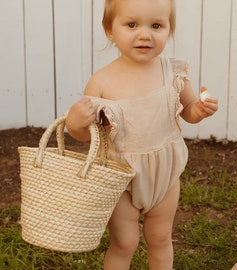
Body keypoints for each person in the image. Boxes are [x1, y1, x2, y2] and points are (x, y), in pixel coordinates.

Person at [65, 0, 218, 269]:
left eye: (156, 25)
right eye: (132, 25)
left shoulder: (172, 72)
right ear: (110, 30)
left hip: (165, 173)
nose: (145, 34)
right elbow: (85, 135)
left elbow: (188, 111)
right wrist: (75, 122)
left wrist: (200, 109)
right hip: (121, 176)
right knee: (124, 242)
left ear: (169, 30)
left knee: (160, 238)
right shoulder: (102, 82)